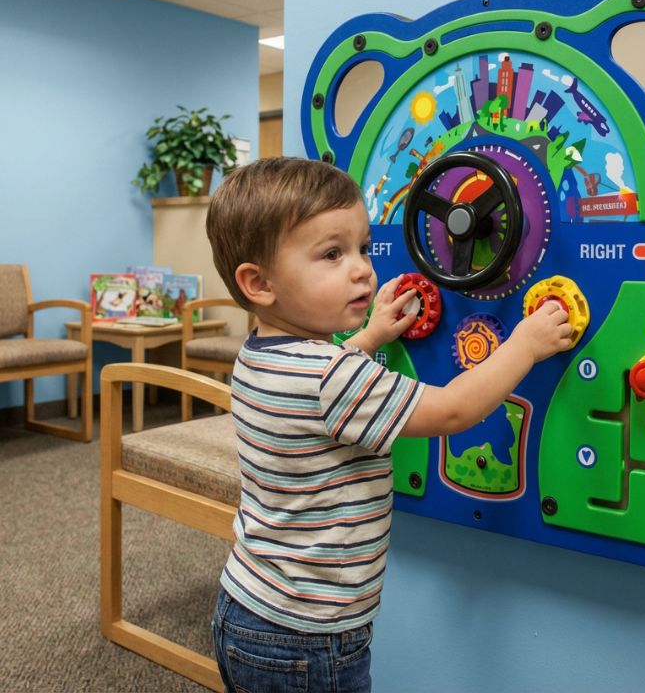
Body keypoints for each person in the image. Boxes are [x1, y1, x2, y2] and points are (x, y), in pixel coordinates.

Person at [206, 156, 572, 692]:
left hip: (249, 608)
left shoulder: (262, 354)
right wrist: (525, 344)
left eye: (363, 248)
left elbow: (325, 385)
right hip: (311, 637)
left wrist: (372, 336)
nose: (361, 269)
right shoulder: (332, 377)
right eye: (331, 254)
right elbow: (452, 410)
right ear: (259, 284)